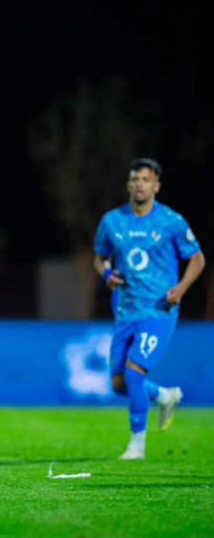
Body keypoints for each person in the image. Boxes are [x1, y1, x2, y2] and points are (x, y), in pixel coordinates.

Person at [93, 158, 205, 460]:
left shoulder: (170, 221)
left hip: (158, 310)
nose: (139, 184)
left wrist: (180, 289)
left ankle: (136, 446)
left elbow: (197, 259)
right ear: (128, 184)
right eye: (135, 179)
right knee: (119, 385)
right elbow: (99, 257)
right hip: (125, 310)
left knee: (133, 374)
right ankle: (163, 395)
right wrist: (106, 273)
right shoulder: (112, 221)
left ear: (156, 186)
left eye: (145, 179)